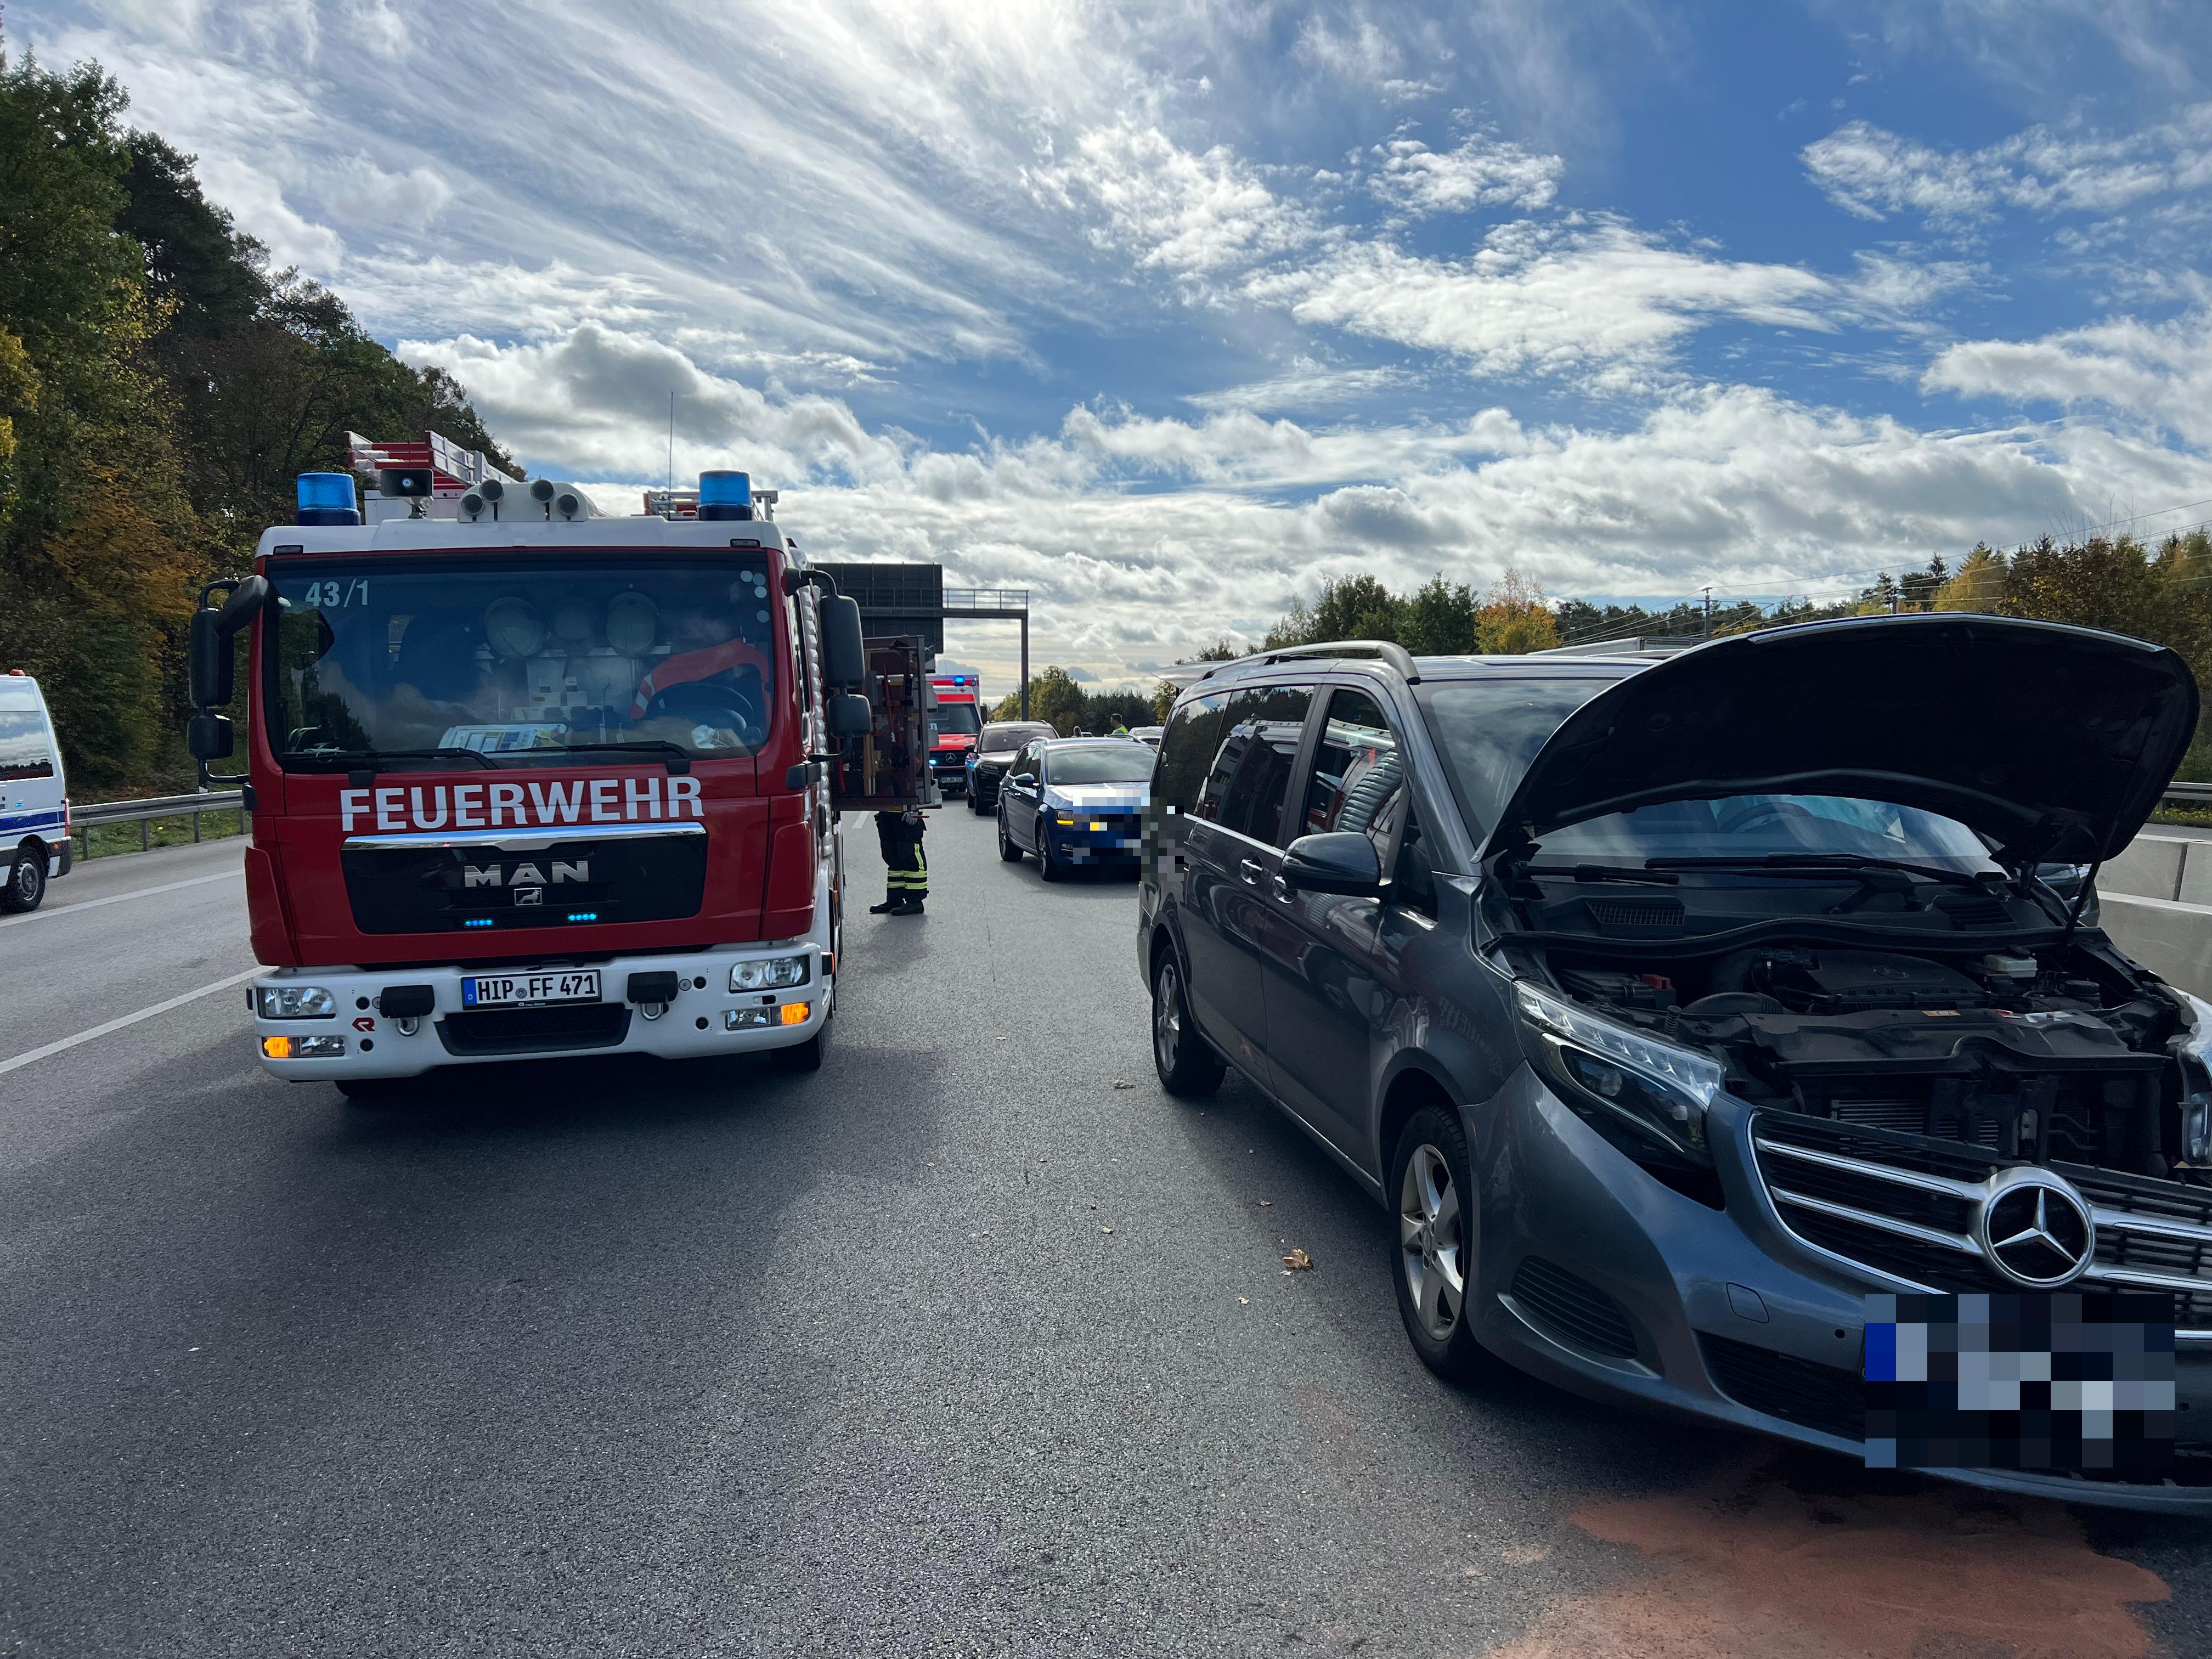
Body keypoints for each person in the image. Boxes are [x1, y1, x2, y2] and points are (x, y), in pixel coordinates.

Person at [872, 806, 928, 915]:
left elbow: (920, 789)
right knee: (892, 857)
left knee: (910, 856)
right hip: (887, 811)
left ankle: (915, 901)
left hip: (907, 812)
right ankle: (895, 899)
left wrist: (915, 810)